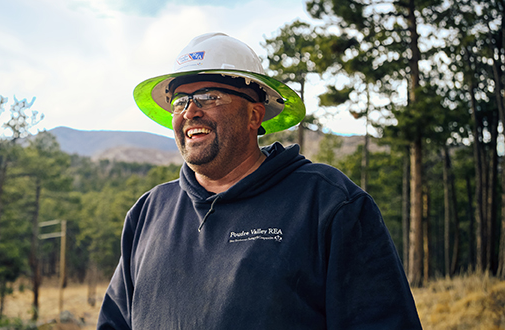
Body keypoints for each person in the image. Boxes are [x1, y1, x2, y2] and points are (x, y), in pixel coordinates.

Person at [97, 32, 422, 330]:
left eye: (208, 96)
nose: (190, 112)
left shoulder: (327, 203)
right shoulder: (148, 213)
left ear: (254, 115)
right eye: (180, 100)